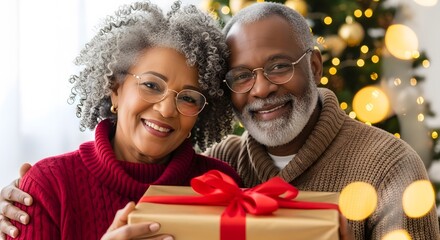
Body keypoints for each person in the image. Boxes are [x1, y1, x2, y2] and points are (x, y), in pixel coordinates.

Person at [1, 1, 438, 240]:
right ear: (114, 87)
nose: (262, 89)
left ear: (316, 67)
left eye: (280, 66)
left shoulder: (389, 170)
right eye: (242, 76)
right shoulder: (223, 167)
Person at [0, 1, 242, 239]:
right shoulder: (48, 187)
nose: (167, 110)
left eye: (188, 98)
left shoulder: (221, 185)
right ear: (115, 89)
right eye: (151, 85)